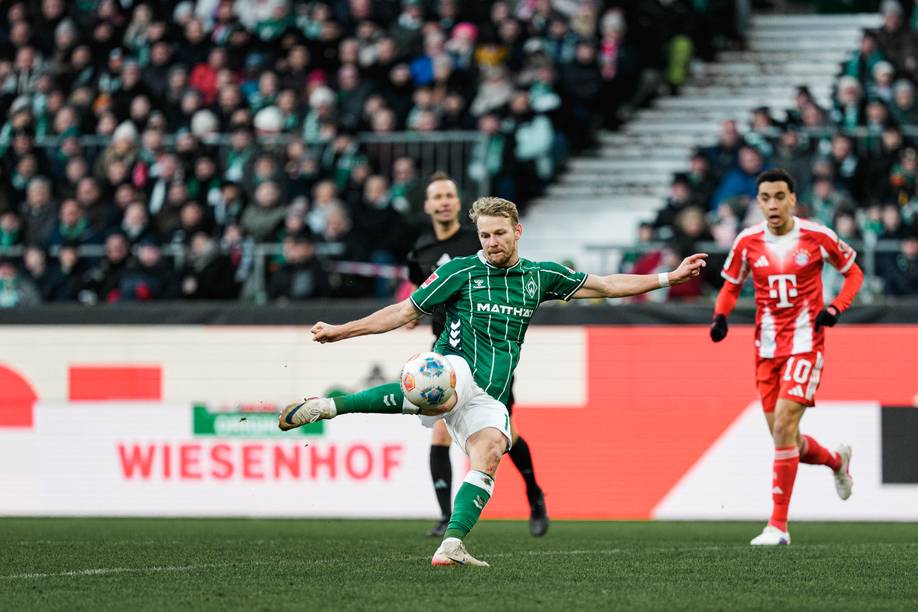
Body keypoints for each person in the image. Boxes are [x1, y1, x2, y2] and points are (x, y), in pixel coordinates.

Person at [280, 196, 707, 566]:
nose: (492, 242)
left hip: (492, 392)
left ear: (517, 231)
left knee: (489, 452)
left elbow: (608, 284)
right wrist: (341, 330)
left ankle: (451, 545)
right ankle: (329, 406)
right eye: (485, 235)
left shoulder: (540, 276)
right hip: (454, 366)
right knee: (437, 386)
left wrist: (669, 277)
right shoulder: (460, 272)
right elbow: (403, 312)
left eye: (499, 234)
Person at [709, 168, 864, 546]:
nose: (773, 205)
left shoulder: (816, 236)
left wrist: (837, 307)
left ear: (792, 199)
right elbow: (731, 285)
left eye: (780, 197)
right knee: (786, 438)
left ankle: (777, 527)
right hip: (765, 350)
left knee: (783, 430)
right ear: (758, 201)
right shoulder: (747, 242)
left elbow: (854, 273)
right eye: (766, 198)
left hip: (805, 344)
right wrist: (720, 316)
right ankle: (835, 461)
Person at [406, 172, 549, 538]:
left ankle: (534, 495)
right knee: (439, 433)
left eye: (449, 195)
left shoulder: (479, 239)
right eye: (436, 196)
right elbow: (420, 293)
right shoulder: (419, 250)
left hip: (488, 351)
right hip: (447, 352)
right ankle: (445, 517)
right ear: (427, 206)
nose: (443, 202)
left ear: (458, 202)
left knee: (508, 436)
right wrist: (414, 316)